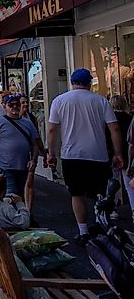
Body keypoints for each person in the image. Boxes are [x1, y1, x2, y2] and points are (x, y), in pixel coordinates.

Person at [47, 68, 125, 243]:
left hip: (71, 155)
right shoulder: (100, 101)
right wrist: (118, 154)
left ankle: (83, 231)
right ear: (90, 83)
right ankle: (99, 224)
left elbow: (52, 129)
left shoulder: (59, 101)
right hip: (98, 154)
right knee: (100, 193)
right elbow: (114, 128)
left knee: (76, 194)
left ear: (72, 82)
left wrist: (51, 152)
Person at [0, 93, 41, 200]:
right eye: (11, 104)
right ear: (5, 106)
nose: (15, 107)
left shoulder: (28, 123)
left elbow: (35, 144)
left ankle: (23, 215)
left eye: (17, 104)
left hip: (23, 167)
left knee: (21, 196)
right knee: (10, 196)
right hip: (5, 167)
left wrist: (34, 160)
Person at [20, 96, 47, 214]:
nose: (25, 105)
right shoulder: (13, 118)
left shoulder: (31, 118)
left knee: (29, 181)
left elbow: (37, 138)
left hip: (31, 154)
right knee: (19, 182)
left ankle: (28, 211)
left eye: (26, 102)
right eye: (22, 103)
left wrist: (44, 154)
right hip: (17, 155)